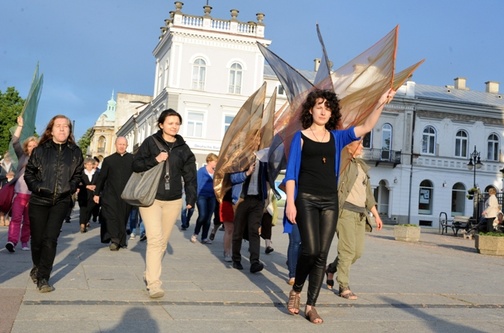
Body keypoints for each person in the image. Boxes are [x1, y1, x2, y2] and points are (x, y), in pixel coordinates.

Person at [284, 88, 394, 323]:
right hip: (305, 198)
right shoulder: (300, 137)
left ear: (331, 112)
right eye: (319, 106)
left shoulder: (337, 137)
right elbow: (292, 173)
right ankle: (296, 290)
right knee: (310, 250)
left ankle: (311, 305)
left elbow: (365, 127)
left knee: (322, 254)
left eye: (327, 107)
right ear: (311, 110)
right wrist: (290, 204)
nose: (323, 111)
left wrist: (381, 102)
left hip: (330, 201)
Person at [132, 109, 197, 298]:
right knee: (154, 240)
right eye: (170, 123)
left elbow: (190, 175)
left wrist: (191, 198)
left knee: (162, 242)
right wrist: (155, 159)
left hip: (174, 200)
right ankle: (154, 283)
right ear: (161, 125)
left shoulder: (183, 148)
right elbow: (135, 165)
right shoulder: (150, 143)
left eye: (177, 123)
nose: (174, 126)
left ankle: (149, 273)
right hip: (151, 198)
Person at [24, 115, 83, 292]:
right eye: (59, 126)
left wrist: (70, 188)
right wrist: (38, 187)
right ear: (51, 130)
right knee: (37, 240)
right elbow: (29, 173)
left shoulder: (75, 152)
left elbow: (78, 175)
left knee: (50, 239)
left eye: (66, 126)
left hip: (61, 200)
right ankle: (37, 266)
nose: (63, 129)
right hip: (40, 199)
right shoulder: (41, 150)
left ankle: (43, 277)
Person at [325, 139, 383, 300]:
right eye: (360, 144)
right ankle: (343, 285)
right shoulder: (344, 163)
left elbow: (368, 196)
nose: (363, 147)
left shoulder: (362, 166)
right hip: (345, 212)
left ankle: (331, 268)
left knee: (357, 252)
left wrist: (376, 215)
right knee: (347, 250)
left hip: (360, 214)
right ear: (350, 147)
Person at [93, 137, 134, 250]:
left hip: (126, 195)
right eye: (119, 144)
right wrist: (97, 193)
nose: (121, 146)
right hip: (110, 194)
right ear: (115, 145)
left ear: (127, 145)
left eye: (124, 144)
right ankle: (114, 240)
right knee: (110, 216)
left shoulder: (132, 159)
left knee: (122, 217)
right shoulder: (108, 160)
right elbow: (102, 178)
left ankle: (121, 240)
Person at [5, 116, 38, 252]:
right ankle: (12, 241)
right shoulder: (22, 157)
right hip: (20, 194)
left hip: (33, 195)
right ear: (27, 147)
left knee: (28, 221)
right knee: (16, 218)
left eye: (34, 146)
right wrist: (20, 126)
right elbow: (15, 142)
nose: (32, 148)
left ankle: (25, 242)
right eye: (29, 146)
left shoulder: (42, 160)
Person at [230, 156, 269, 274]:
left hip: (257, 200)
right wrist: (247, 173)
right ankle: (236, 259)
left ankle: (254, 262)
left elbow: (267, 179)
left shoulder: (264, 160)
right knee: (238, 231)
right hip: (242, 199)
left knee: (254, 231)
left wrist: (265, 198)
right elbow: (233, 178)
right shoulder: (241, 158)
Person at [191, 153, 218, 244]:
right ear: (209, 161)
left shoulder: (216, 172)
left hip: (212, 196)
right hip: (202, 196)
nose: (216, 163)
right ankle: (195, 233)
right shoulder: (201, 171)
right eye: (215, 161)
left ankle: (204, 237)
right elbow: (197, 184)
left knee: (208, 217)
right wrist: (194, 197)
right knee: (202, 215)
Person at [77, 157, 98, 233]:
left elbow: (99, 183)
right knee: (83, 209)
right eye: (87, 164)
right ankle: (82, 224)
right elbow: (78, 183)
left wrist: (95, 186)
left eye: (91, 164)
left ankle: (86, 221)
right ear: (85, 165)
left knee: (89, 209)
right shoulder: (81, 173)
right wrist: (86, 186)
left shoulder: (96, 173)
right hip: (83, 194)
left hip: (93, 194)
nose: (89, 166)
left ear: (93, 165)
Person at [0, 151, 15, 227]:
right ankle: (2, 217)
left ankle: (7, 218)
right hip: (2, 186)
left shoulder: (14, 165)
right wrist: (5, 176)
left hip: (11, 186)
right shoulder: (1, 165)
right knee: (2, 202)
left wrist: (13, 174)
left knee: (10, 202)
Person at [220, 189, 234, 262]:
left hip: (242, 201)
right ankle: (227, 252)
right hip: (228, 200)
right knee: (229, 229)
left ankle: (234, 252)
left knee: (236, 230)